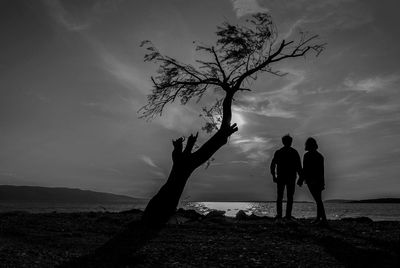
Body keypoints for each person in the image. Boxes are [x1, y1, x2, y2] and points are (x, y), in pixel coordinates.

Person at [270, 134, 302, 219]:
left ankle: (284, 215)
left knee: (283, 197)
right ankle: (283, 215)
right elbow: (273, 165)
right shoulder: (288, 152)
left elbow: (298, 166)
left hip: (286, 177)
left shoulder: (281, 152)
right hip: (285, 177)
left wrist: (301, 178)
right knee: (286, 197)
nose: (289, 143)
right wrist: (273, 175)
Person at [297, 137, 327, 225]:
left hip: (311, 180)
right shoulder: (320, 156)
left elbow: (305, 169)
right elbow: (322, 171)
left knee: (318, 200)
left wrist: (301, 179)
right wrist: (322, 183)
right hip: (318, 180)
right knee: (318, 199)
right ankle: (319, 218)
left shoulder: (307, 156)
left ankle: (324, 219)